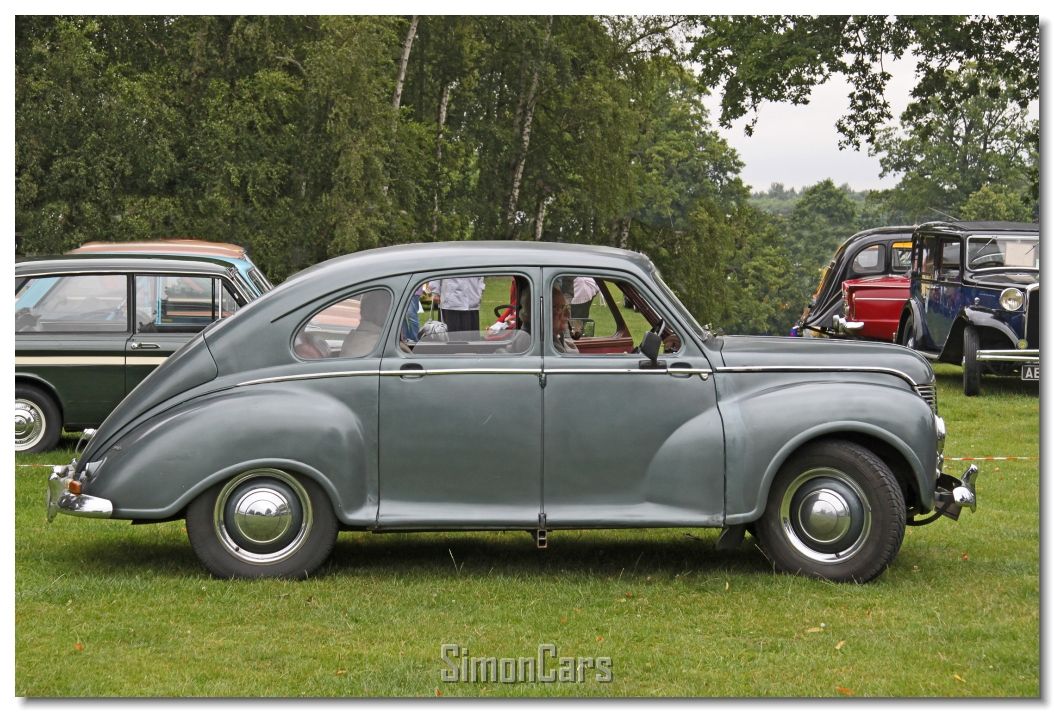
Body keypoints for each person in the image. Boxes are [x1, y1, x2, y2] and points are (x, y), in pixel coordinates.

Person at [551, 286, 579, 353]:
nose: (568, 314)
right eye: (560, 308)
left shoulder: (552, 338)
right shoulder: (551, 347)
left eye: (563, 307)